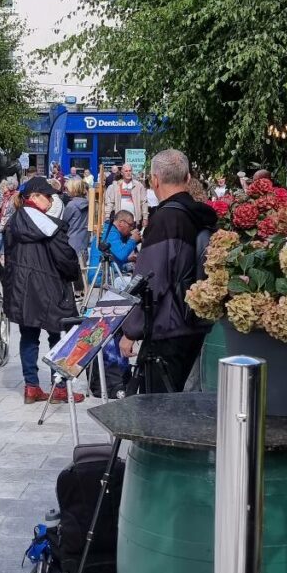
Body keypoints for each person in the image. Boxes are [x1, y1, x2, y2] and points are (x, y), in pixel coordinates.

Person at [118, 148, 218, 392]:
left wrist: (131, 330)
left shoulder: (165, 219)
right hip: (194, 320)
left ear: (154, 180)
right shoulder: (201, 217)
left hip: (167, 327)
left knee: (156, 405)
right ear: (188, 178)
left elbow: (151, 281)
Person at [3, 177, 86, 403]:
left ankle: (31, 387)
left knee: (29, 336)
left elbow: (8, 257)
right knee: (58, 336)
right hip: (49, 286)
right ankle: (59, 387)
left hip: (22, 288)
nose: (51, 200)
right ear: (33, 197)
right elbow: (65, 257)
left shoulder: (13, 222)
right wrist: (74, 278)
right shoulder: (47, 224)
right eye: (47, 196)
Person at [104, 162, 148, 227]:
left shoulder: (138, 186)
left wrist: (145, 218)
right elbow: (110, 202)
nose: (128, 173)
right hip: (120, 221)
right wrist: (107, 216)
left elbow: (144, 202)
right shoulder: (116, 186)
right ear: (122, 173)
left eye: (130, 171)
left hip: (134, 220)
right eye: (126, 171)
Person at [61, 177, 90, 264]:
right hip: (83, 241)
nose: (66, 191)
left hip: (71, 243)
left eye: (67, 188)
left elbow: (63, 223)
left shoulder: (72, 205)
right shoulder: (88, 203)